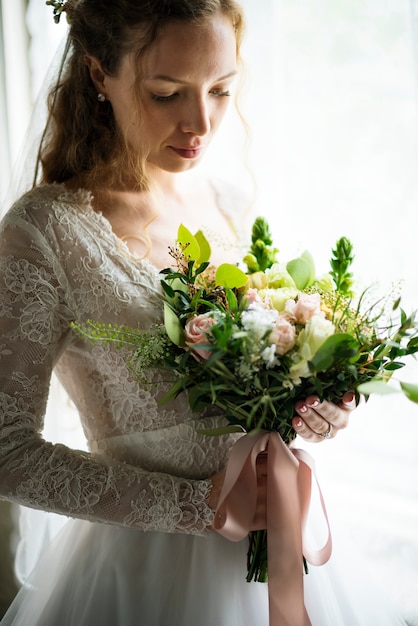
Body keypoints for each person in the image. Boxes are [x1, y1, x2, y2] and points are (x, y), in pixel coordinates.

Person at [0, 1, 406, 625]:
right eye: (166, 93)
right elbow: (7, 453)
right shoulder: (45, 232)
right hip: (145, 578)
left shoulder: (226, 199)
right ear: (97, 75)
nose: (200, 123)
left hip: (282, 547)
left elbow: (256, 379)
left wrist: (310, 403)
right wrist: (199, 507)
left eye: (221, 89)